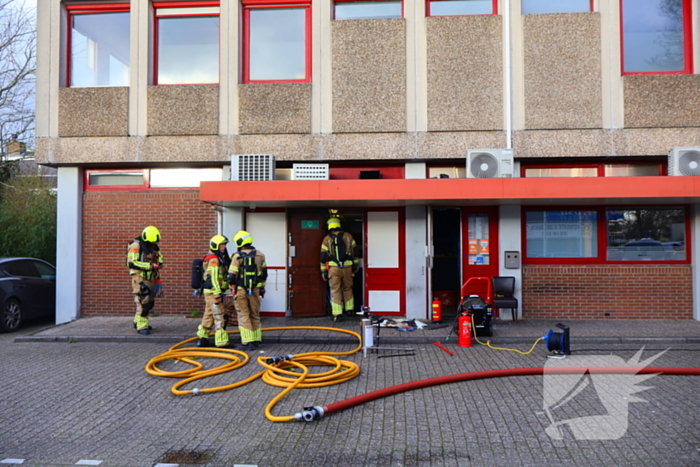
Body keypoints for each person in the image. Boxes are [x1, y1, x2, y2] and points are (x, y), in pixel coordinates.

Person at [228, 230, 267, 351]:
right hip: (255, 290)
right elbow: (264, 274)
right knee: (254, 314)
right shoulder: (260, 255)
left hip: (241, 290)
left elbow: (231, 276)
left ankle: (247, 341)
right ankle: (256, 340)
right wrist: (261, 288)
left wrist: (231, 286)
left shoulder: (237, 256)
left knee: (243, 314)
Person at [195, 234, 233, 348]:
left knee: (209, 315)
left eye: (224, 244)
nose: (224, 247)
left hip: (209, 292)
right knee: (220, 315)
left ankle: (202, 338)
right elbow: (213, 278)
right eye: (222, 245)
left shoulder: (216, 257)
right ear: (215, 245)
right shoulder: (214, 259)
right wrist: (217, 293)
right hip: (213, 292)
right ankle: (221, 342)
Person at [320, 217, 359, 321]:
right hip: (348, 267)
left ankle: (337, 314)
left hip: (334, 268)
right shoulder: (348, 236)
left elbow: (323, 257)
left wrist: (323, 271)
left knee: (335, 290)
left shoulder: (327, 239)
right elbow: (355, 252)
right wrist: (355, 264)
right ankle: (349, 310)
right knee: (348, 287)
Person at [127, 226, 164, 335]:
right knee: (144, 301)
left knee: (149, 301)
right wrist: (150, 266)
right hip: (140, 278)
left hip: (151, 277)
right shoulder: (136, 246)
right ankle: (142, 326)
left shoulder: (153, 246)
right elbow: (132, 263)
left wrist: (159, 263)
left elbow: (159, 257)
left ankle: (137, 321)